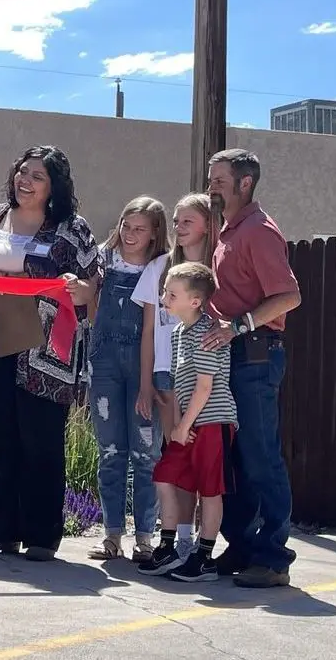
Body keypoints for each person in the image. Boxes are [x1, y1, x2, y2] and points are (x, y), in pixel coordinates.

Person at [0, 145, 98, 563]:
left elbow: (91, 285)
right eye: (22, 172)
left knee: (41, 442)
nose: (25, 180)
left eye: (37, 175)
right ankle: (1, 532)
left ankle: (41, 536)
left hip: (44, 353)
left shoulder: (70, 227)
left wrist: (73, 286)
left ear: (53, 187)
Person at [202, 148, 301, 588]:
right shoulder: (227, 231)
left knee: (260, 457)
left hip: (256, 354)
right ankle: (243, 547)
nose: (211, 185)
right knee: (238, 459)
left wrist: (238, 326)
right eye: (210, 177)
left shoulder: (258, 230)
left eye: (219, 179)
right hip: (232, 355)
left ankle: (273, 557)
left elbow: (289, 297)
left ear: (245, 182)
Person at [138, 261, 237, 582]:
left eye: (172, 293)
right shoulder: (180, 332)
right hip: (190, 424)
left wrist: (183, 425)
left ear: (194, 301)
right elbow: (182, 383)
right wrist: (179, 424)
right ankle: (168, 547)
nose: (165, 297)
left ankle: (204, 557)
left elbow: (205, 386)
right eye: (165, 291)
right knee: (165, 475)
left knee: (210, 491)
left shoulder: (207, 333)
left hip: (213, 422)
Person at [132, 193, 217, 560]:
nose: (179, 229)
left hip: (206, 376)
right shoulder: (161, 267)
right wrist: (147, 380)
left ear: (208, 226)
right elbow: (150, 329)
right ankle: (180, 539)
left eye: (188, 222)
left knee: (205, 461)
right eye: (177, 221)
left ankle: (202, 542)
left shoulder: (217, 267)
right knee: (177, 456)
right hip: (168, 373)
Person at [85, 196, 169, 563]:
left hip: (143, 367)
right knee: (110, 451)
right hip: (104, 364)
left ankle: (145, 537)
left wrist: (150, 381)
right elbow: (90, 306)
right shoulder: (103, 260)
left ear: (154, 234)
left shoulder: (160, 269)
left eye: (140, 229)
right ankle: (112, 534)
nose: (130, 234)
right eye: (126, 226)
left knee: (146, 452)